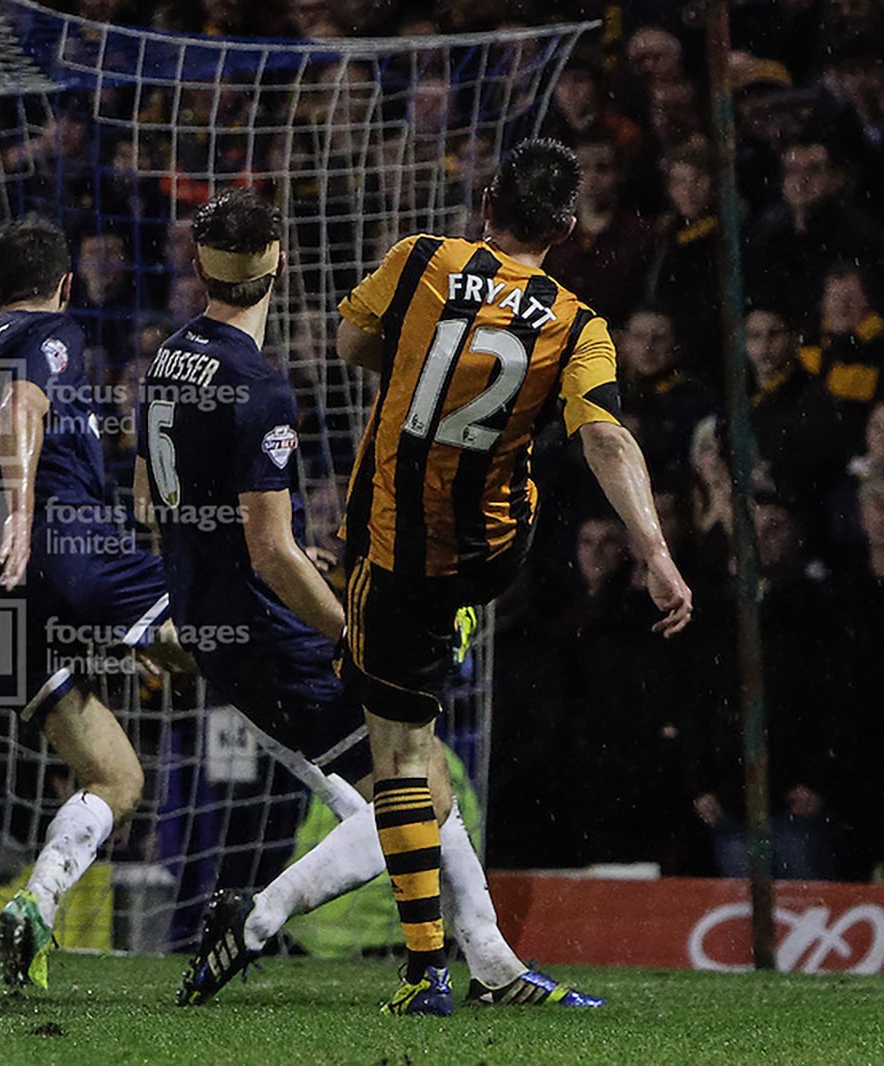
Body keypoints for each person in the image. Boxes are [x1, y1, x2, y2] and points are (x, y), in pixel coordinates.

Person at [140, 190, 597, 1016]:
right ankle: (256, 919)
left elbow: (153, 502)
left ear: (199, 263)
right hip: (266, 627)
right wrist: (344, 626)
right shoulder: (260, 386)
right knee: (416, 789)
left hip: (216, 615)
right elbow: (272, 552)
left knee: (410, 782)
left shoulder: (168, 358)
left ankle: (490, 963)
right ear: (280, 260)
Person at [329, 139, 692, 1013]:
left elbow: (349, 344)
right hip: (494, 554)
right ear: (565, 228)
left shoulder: (421, 258)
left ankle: (424, 973)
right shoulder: (578, 322)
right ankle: (478, 957)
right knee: (523, 463)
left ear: (486, 205)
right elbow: (605, 436)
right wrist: (656, 551)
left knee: (400, 758)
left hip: (394, 553)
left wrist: (424, 369)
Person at [0, 217, 173, 990]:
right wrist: (27, 516)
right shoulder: (53, 331)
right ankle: (365, 799)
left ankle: (35, 904)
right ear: (63, 285)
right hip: (56, 554)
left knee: (117, 780)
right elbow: (23, 410)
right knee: (232, 630)